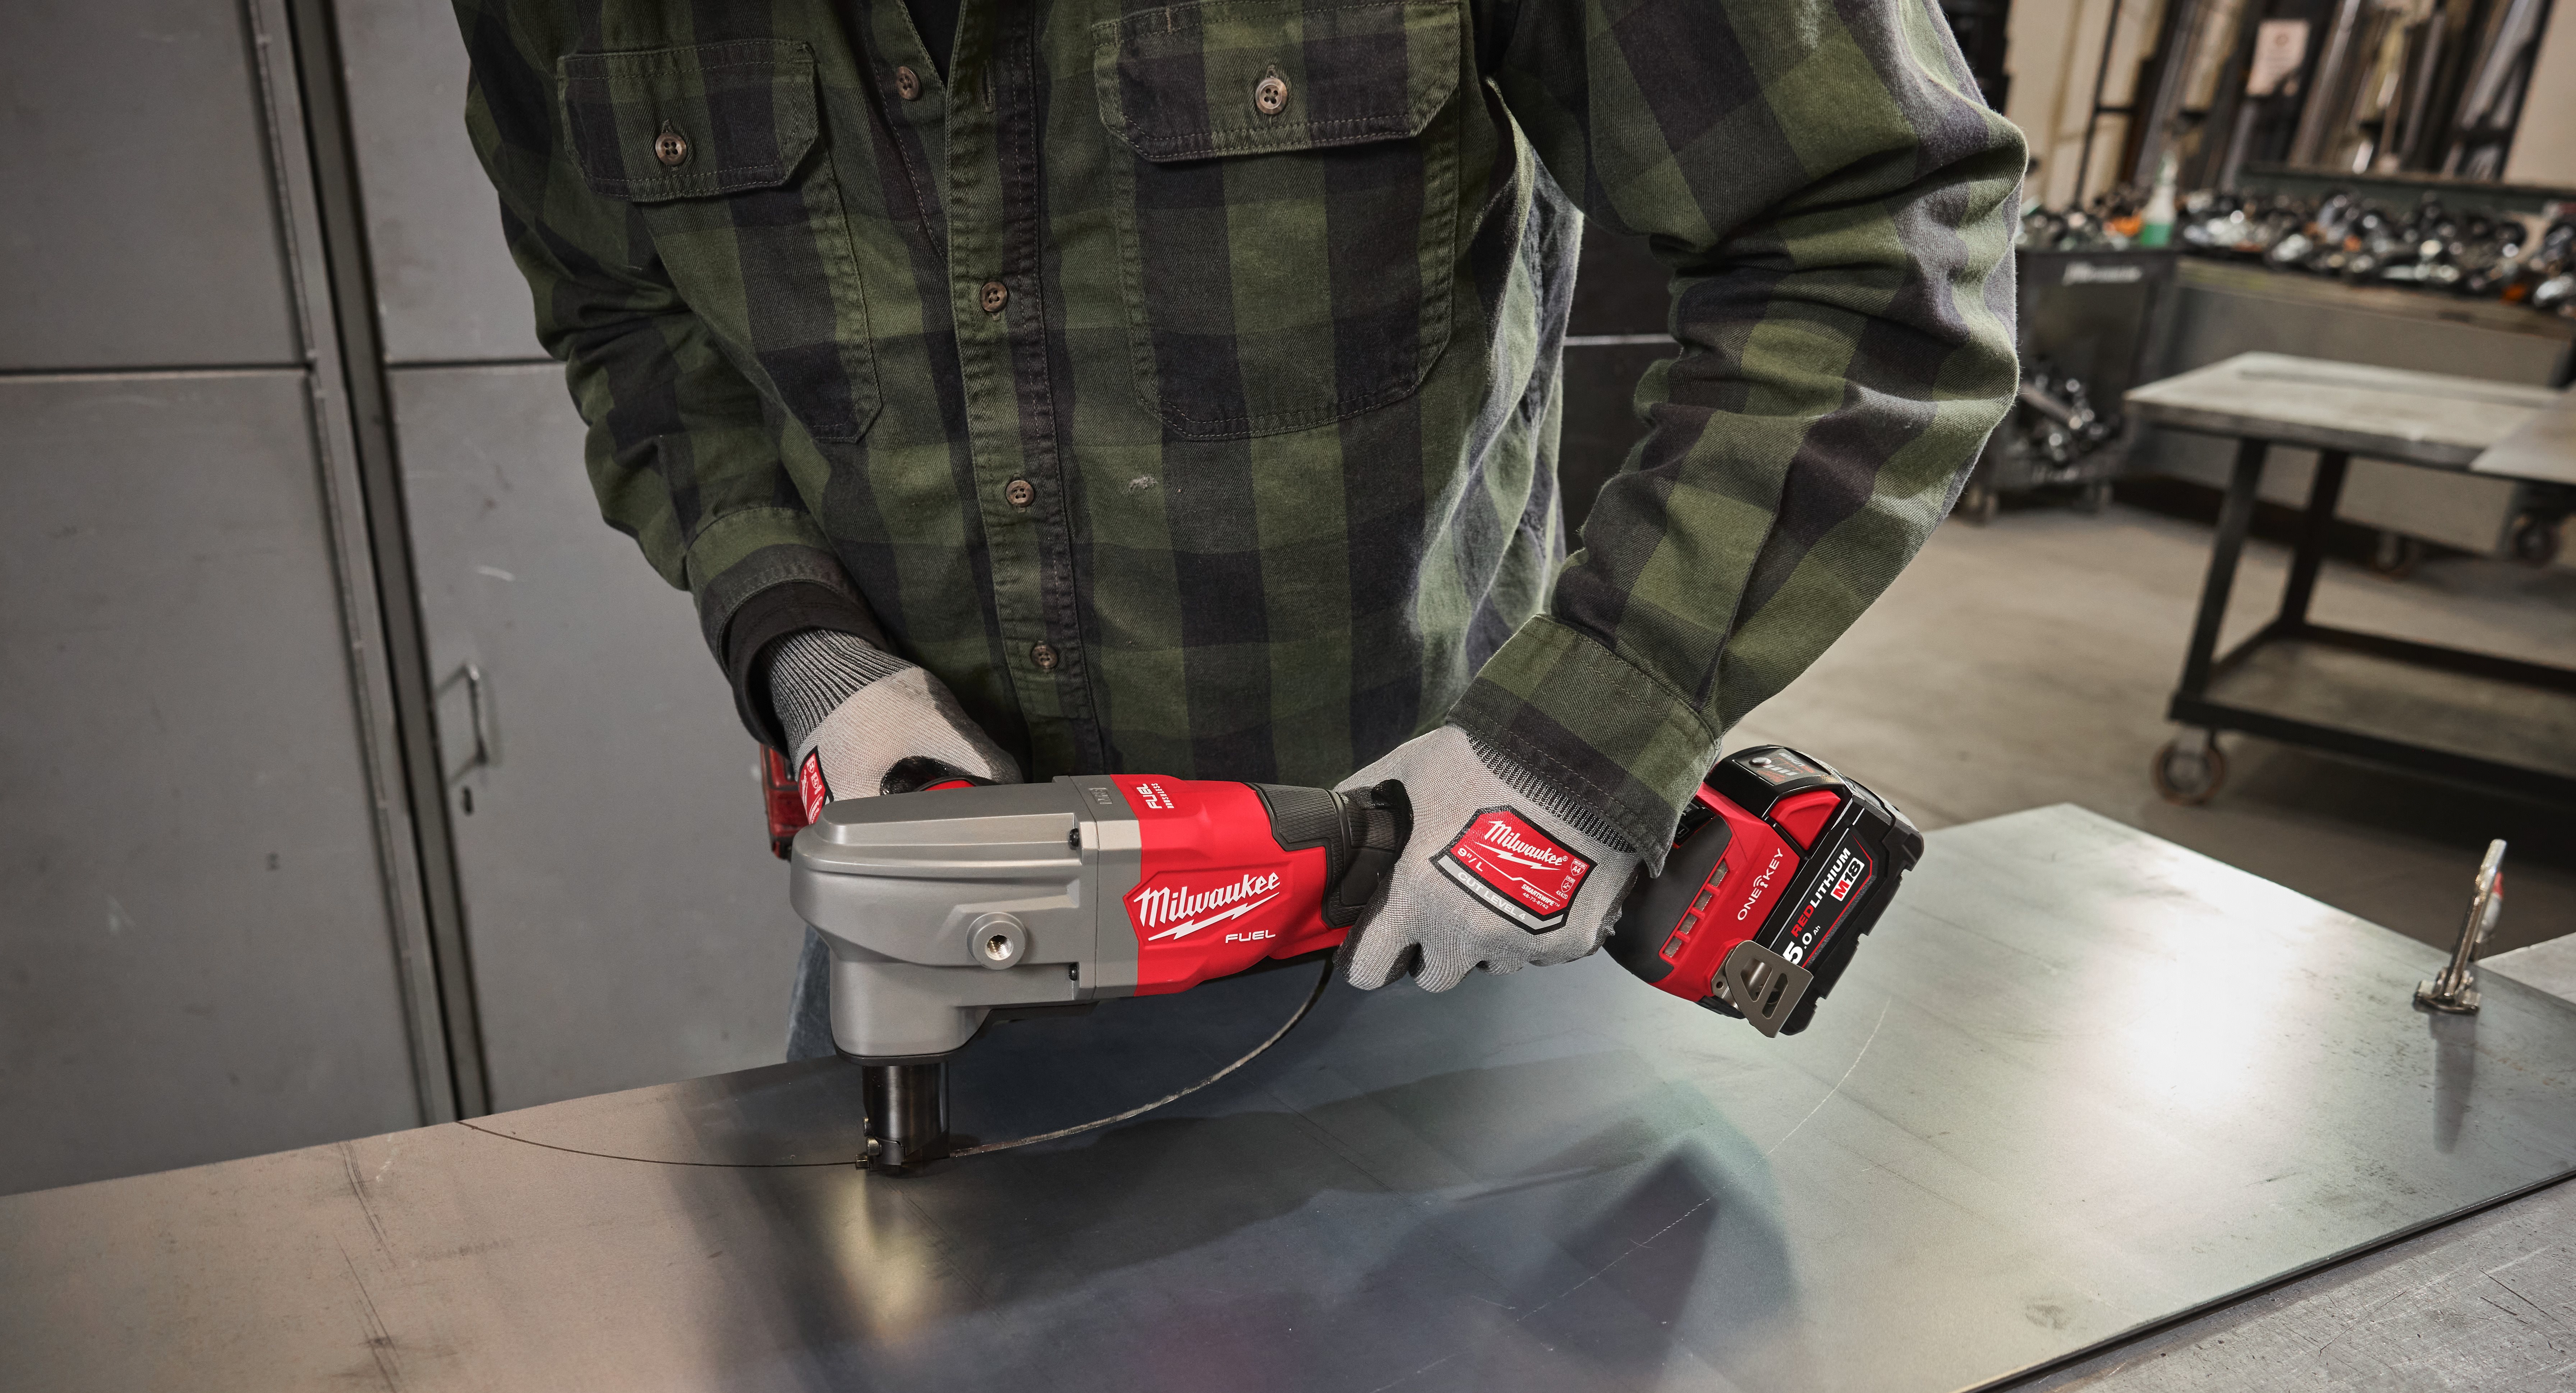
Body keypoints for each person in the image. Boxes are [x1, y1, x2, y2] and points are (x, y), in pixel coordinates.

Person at [456, 0, 2021, 1056]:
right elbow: (627, 319)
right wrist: (805, 647)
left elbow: (1876, 236)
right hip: (930, 945)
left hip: (1422, 919)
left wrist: (1587, 728)